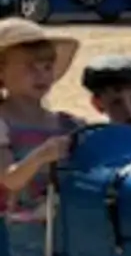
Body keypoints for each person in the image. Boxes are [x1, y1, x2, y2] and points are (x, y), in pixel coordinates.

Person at [0, 19, 84, 229]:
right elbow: (9, 179)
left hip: (61, 223)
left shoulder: (67, 124)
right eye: (30, 68)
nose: (42, 75)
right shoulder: (3, 123)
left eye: (47, 67)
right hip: (13, 229)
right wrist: (41, 155)